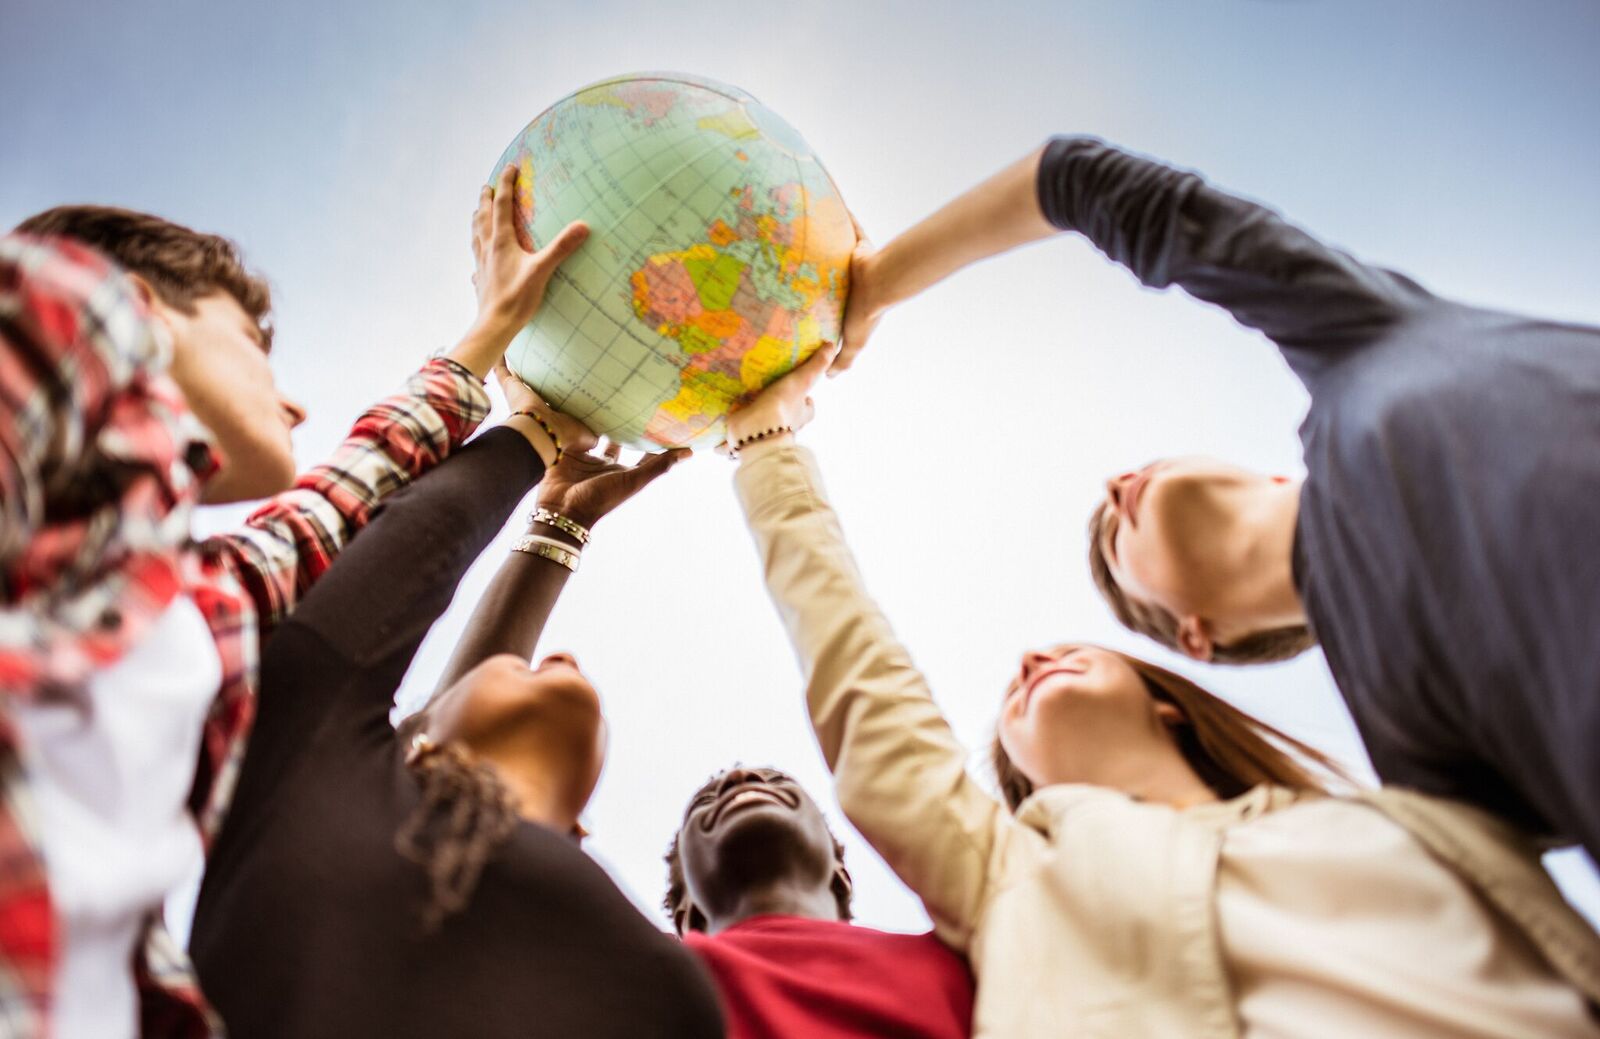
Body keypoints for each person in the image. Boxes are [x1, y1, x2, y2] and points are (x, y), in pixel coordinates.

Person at [719, 346, 1600, 1037]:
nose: (1031, 660)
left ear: (1171, 698)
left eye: (1070, 651)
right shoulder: (1013, 878)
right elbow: (865, 681)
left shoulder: (1415, 808)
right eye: (1010, 715)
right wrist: (767, 450)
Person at [832, 135, 1600, 866]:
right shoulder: (1416, 763)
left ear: (1271, 473)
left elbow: (1073, 177)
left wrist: (872, 289)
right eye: (1112, 545)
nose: (1114, 489)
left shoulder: (1352, 339)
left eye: (1131, 478)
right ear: (1197, 636)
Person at [0, 163, 586, 1036]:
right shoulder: (49, 311)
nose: (292, 399)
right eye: (250, 340)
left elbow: (331, 511)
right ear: (141, 313)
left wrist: (528, 412)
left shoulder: (198, 611)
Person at [187, 374, 720, 1037]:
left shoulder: (672, 990)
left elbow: (418, 546)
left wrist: (545, 443)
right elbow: (418, 537)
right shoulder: (297, 774)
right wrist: (541, 451)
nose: (559, 657)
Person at [664, 764, 974, 1038]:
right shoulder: (655, 987)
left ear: (841, 875)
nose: (740, 777)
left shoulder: (964, 963)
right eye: (704, 803)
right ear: (687, 916)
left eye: (778, 782)